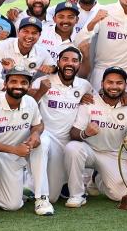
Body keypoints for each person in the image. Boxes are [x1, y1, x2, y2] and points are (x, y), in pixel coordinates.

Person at [0, 66, 54, 217]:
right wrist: (14, 150)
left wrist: (36, 133)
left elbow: (38, 124)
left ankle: (41, 198)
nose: (18, 86)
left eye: (23, 82)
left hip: (15, 156)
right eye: (14, 81)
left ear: (29, 86)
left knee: (12, 205)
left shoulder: (30, 102)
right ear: (5, 84)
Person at [64, 67, 127, 204]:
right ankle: (76, 195)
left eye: (119, 83)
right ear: (102, 83)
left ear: (125, 85)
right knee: (73, 148)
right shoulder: (90, 102)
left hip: (113, 155)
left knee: (121, 195)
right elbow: (73, 133)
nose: (114, 87)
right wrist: (85, 133)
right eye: (110, 82)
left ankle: (97, 179)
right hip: (89, 151)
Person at [29, 47, 92, 205]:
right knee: (43, 142)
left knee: (53, 197)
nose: (69, 63)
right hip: (45, 135)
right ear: (58, 62)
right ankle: (40, 198)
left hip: (65, 142)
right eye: (65, 59)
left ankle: (53, 189)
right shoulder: (43, 81)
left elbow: (98, 101)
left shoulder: (84, 85)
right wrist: (41, 92)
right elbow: (28, 109)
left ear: (79, 65)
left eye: (74, 60)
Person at [0, 16, 55, 91]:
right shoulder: (1, 46)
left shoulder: (42, 52)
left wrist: (51, 68)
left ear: (39, 35)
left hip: (25, 93)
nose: (29, 36)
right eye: (26, 31)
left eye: (34, 33)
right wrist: (17, 91)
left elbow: (54, 67)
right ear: (18, 32)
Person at [38, 1, 90, 77]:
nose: (65, 21)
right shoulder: (42, 31)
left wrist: (85, 57)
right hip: (38, 79)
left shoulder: (81, 39)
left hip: (66, 82)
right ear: (54, 19)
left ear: (77, 20)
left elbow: (83, 75)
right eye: (61, 17)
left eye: (70, 17)